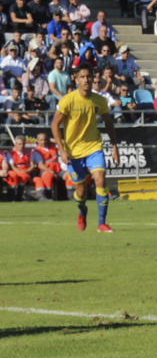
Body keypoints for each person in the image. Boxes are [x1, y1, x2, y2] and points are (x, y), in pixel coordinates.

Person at [50, 64, 120, 232]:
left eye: (89, 76)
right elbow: (54, 125)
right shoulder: (68, 100)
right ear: (76, 79)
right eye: (82, 77)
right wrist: (61, 149)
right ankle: (82, 212)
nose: (86, 80)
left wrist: (114, 146)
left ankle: (101, 223)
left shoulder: (99, 100)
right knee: (81, 193)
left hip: (93, 146)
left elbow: (109, 123)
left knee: (100, 180)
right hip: (73, 151)